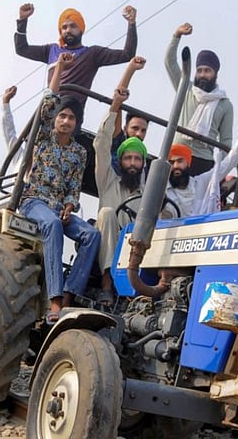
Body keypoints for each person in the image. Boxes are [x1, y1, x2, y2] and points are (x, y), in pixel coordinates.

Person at [19, 52, 100, 322]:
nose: (66, 121)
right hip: (35, 201)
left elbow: (74, 186)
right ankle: (53, 301)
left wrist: (68, 206)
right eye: (62, 116)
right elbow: (48, 102)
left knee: (91, 235)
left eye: (71, 118)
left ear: (77, 124)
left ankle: (68, 294)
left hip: (58, 208)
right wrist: (61, 69)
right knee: (51, 224)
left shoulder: (79, 152)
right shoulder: (44, 137)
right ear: (56, 119)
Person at [93, 60, 146, 306]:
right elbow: (102, 143)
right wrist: (116, 104)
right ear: (120, 160)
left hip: (135, 256)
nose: (133, 162)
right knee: (107, 213)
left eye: (138, 158)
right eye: (128, 157)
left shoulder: (147, 191)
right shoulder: (108, 179)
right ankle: (106, 284)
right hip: (106, 244)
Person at [14, 3, 137, 105]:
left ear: (81, 29)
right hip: (49, 111)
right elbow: (22, 49)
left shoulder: (92, 54)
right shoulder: (51, 50)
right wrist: (22, 20)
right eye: (64, 27)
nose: (68, 30)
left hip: (72, 115)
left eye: (73, 26)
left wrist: (131, 23)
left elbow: (127, 54)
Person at [166, 22, 234, 176]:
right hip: (176, 155)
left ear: (215, 74)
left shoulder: (225, 104)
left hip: (203, 162)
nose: (202, 75)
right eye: (199, 70)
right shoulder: (185, 88)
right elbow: (169, 62)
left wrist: (218, 173)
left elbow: (226, 141)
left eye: (207, 71)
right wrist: (177, 35)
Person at [165, 109, 238, 217]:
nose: (176, 166)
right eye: (172, 162)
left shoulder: (200, 183)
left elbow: (230, 161)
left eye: (180, 161)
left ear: (188, 163)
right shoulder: (162, 192)